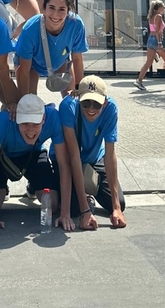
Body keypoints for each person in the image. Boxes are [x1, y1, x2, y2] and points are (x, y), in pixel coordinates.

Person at [0, 94, 74, 233]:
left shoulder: (53, 117)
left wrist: (65, 214)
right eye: (25, 123)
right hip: (4, 155)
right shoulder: (5, 120)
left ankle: (33, 186)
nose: (30, 130)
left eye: (35, 124)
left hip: (33, 153)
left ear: (43, 119)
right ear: (16, 118)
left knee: (51, 206)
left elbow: (64, 164)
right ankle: (2, 188)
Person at [58, 76, 126, 230]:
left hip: (95, 157)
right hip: (70, 160)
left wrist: (116, 209)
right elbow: (73, 157)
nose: (91, 109)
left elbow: (110, 155)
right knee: (75, 208)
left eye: (96, 104)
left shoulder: (111, 109)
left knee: (120, 203)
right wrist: (85, 211)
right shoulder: (68, 107)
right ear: (78, 97)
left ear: (105, 102)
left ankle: (90, 191)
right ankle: (86, 199)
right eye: (86, 103)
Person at [15, 0, 87, 97]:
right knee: (30, 102)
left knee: (72, 101)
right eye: (51, 8)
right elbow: (24, 70)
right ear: (44, 8)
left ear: (68, 11)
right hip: (31, 65)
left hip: (60, 61)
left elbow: (77, 58)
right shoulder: (30, 28)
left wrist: (79, 89)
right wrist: (24, 102)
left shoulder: (76, 24)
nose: (55, 15)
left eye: (61, 9)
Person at [134, 0, 165, 91]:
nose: (164, 8)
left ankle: (139, 80)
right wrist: (160, 43)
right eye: (162, 7)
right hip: (157, 40)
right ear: (158, 8)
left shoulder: (151, 16)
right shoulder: (159, 16)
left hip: (150, 39)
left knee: (148, 62)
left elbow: (153, 30)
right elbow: (158, 31)